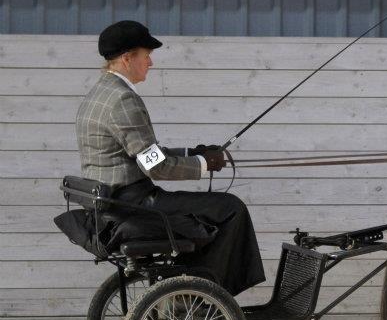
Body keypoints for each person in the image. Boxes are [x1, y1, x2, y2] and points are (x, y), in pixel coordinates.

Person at [75, 20, 265, 295]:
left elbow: (141, 152)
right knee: (230, 208)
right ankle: (198, 295)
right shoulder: (122, 101)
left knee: (218, 209)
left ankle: (192, 285)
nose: (150, 63)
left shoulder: (99, 95)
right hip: (135, 204)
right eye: (146, 56)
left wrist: (193, 154)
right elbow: (156, 166)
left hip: (115, 202)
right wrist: (204, 165)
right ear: (128, 58)